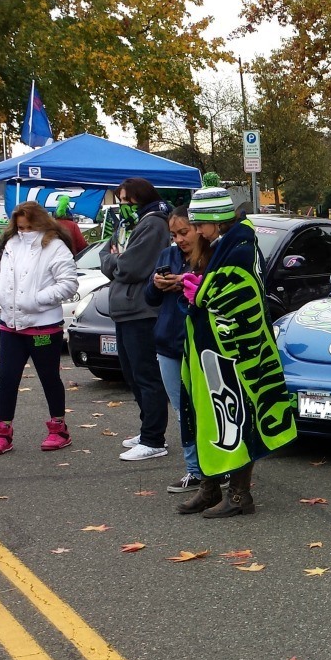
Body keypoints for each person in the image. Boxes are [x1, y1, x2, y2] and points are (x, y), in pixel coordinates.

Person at [176, 186, 296, 518]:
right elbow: (217, 290)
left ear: (215, 219)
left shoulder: (240, 247)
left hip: (233, 353)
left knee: (235, 418)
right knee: (208, 417)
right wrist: (199, 289)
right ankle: (210, 488)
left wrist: (201, 294)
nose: (197, 230)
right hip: (211, 351)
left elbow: (238, 297)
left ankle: (240, 497)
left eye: (200, 224)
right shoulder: (225, 245)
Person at [0, 201, 78, 455]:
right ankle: (2, 432)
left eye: (29, 227)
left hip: (43, 328)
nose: (24, 232)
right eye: (20, 227)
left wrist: (35, 299)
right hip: (10, 326)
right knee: (7, 379)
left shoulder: (55, 246)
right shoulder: (10, 244)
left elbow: (69, 284)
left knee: (49, 378)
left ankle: (58, 428)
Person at [100, 177, 169, 461]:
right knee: (131, 374)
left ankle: (154, 439)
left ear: (140, 198)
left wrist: (115, 261)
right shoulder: (130, 224)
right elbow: (107, 252)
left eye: (127, 200)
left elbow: (130, 266)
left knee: (145, 375)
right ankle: (147, 429)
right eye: (120, 200)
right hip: (125, 309)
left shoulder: (153, 224)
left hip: (141, 310)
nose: (122, 205)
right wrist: (115, 260)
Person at [145, 206, 208, 493]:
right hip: (168, 343)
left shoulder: (211, 256)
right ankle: (194, 471)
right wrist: (157, 284)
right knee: (183, 411)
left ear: (198, 229)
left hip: (201, 345)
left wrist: (189, 285)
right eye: (174, 235)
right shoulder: (167, 256)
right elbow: (150, 298)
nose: (179, 240)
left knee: (207, 409)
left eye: (184, 232)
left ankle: (220, 468)